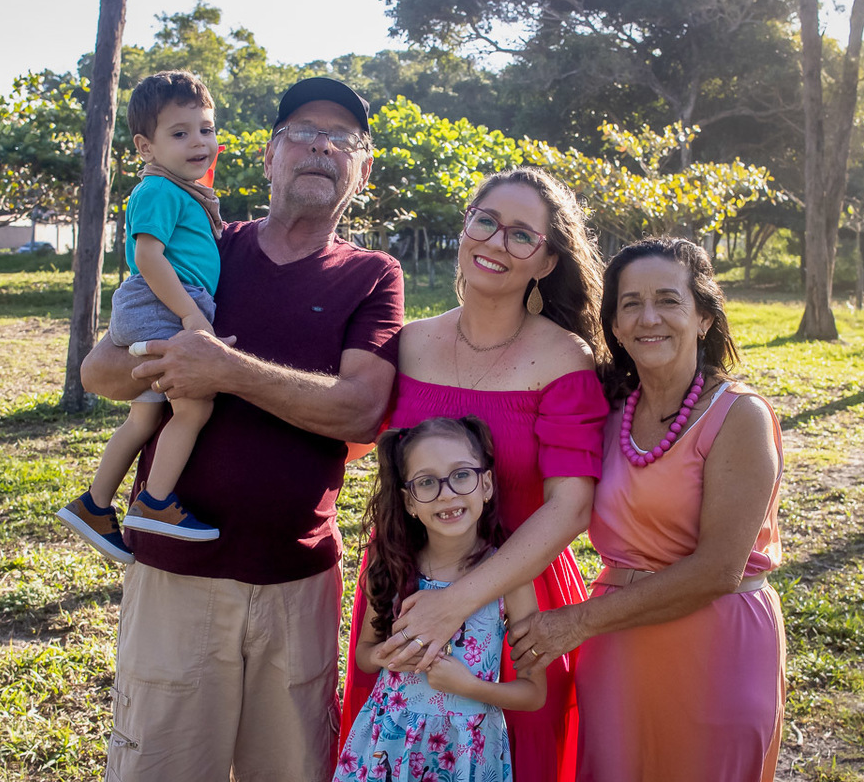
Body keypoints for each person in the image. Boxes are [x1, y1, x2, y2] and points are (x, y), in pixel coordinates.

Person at [80, 77, 404, 782]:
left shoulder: (373, 275)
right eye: (302, 132)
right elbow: (101, 374)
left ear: (364, 170)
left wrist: (223, 369)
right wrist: (167, 362)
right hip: (177, 573)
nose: (321, 145)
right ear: (264, 155)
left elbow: (359, 411)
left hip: (298, 581)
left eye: (343, 139)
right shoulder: (201, 248)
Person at [342, 167, 609, 782]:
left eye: (522, 235)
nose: (495, 242)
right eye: (485, 221)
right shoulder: (405, 344)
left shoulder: (566, 359)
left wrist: (457, 603)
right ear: (465, 228)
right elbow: (350, 440)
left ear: (546, 262)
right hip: (403, 586)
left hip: (517, 594)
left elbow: (570, 507)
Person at [508, 237, 786, 782]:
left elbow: (717, 571)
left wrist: (576, 622)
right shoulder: (607, 410)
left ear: (704, 317)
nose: (648, 317)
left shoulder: (739, 417)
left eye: (668, 300)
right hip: (618, 649)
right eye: (630, 303)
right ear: (613, 325)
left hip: (715, 645)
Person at [57, 70, 222, 562]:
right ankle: (154, 502)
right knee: (195, 407)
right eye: (180, 133)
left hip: (161, 304)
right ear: (146, 147)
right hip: (162, 305)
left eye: (206, 129)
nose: (199, 142)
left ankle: (93, 504)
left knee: (145, 414)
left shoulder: (180, 191)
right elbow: (147, 258)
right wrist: (191, 314)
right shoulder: (158, 191)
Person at [336, 416, 547, 782]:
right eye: (427, 482)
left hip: (466, 751)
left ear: (486, 484)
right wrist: (386, 656)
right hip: (391, 744)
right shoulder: (391, 564)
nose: (447, 493)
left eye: (461, 475)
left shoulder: (508, 576)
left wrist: (470, 687)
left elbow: (533, 693)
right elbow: (365, 657)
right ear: (409, 501)